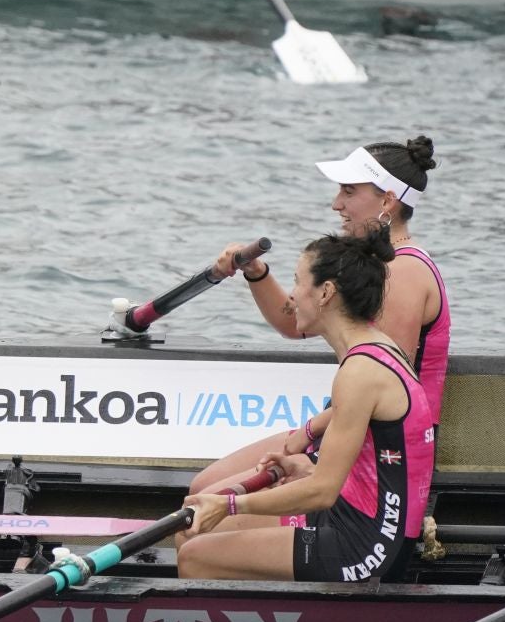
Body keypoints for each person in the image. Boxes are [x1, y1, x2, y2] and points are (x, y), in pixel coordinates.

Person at [188, 137, 446, 497]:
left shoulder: (403, 273)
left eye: (349, 192)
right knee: (202, 487)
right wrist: (255, 271)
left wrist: (305, 435)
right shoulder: (372, 265)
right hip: (344, 425)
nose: (336, 204)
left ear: (387, 201)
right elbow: (295, 324)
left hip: (383, 448)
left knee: (207, 499)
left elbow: (386, 381)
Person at [177, 229, 435, 582]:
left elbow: (322, 492)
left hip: (365, 546)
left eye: (298, 282)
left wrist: (230, 504)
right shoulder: (376, 348)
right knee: (191, 526)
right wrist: (303, 469)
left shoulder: (361, 371)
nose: (293, 295)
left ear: (326, 292)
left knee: (194, 554)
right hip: (353, 515)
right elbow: (357, 473)